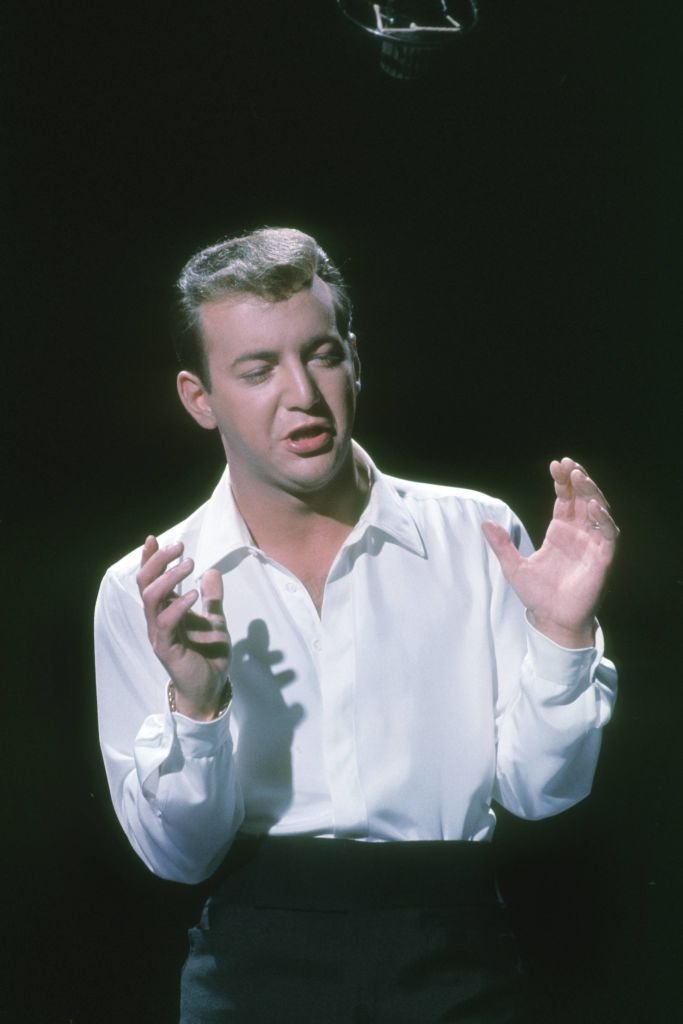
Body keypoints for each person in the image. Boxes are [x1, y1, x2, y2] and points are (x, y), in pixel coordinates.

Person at [95, 227, 619, 1023]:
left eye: (321, 353)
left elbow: (541, 795)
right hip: (248, 978)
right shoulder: (150, 587)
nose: (301, 394)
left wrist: (561, 638)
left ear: (354, 357)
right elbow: (179, 857)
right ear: (199, 398)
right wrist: (196, 707)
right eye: (257, 369)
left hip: (456, 960)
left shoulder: (476, 537)